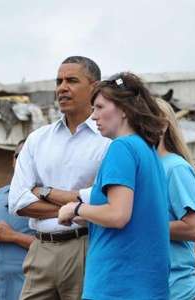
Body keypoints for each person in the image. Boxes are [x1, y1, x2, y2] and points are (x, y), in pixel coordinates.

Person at [58, 72, 170, 299]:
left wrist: (75, 209)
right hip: (147, 286)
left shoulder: (121, 148)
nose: (94, 116)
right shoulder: (146, 149)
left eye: (100, 107)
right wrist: (89, 216)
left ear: (124, 110)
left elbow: (118, 215)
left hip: (116, 285)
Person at [8, 56, 110, 300]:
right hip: (41, 247)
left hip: (86, 246)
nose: (62, 87)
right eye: (59, 81)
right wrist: (76, 208)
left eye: (71, 80)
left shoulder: (109, 140)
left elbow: (103, 200)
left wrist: (43, 191)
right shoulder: (37, 139)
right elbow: (17, 202)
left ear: (94, 87)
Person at [156, 99, 195, 300]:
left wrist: (137, 226)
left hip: (175, 291)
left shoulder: (175, 168)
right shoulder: (141, 167)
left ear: (163, 125)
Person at [0, 140, 36, 300]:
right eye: (18, 156)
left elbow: (51, 247)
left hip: (29, 287)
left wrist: (12, 236)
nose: (21, 161)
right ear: (13, 159)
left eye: (27, 157)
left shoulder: (44, 198)